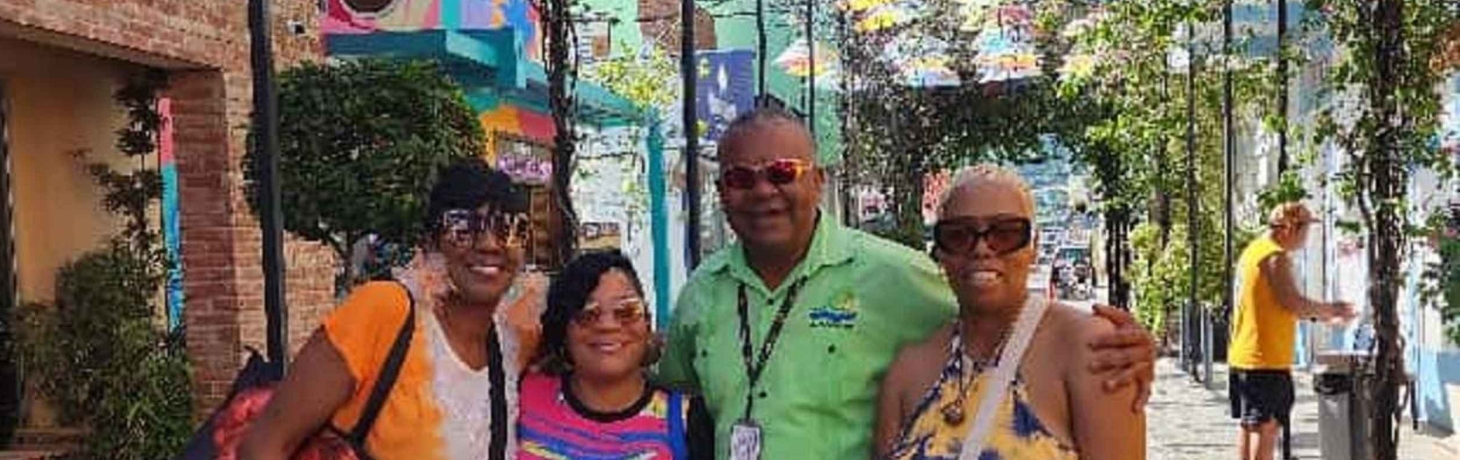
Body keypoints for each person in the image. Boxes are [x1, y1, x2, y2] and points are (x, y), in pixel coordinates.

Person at [658, 108, 1156, 460]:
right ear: (721, 191)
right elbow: (666, 376)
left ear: (818, 181)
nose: (763, 190)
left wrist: (1130, 349)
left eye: (782, 172)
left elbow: (990, 313)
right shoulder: (702, 292)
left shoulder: (894, 276)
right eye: (741, 179)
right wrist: (622, 343)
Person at [239, 159, 536, 460]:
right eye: (463, 227)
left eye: (509, 228)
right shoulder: (385, 312)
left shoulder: (515, 342)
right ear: (430, 241)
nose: (489, 244)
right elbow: (264, 445)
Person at [874, 166, 1145, 460]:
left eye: (1005, 233)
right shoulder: (908, 371)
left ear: (1034, 245)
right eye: (958, 235)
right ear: (940, 251)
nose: (981, 249)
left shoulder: (1092, 350)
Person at [517, 251, 712, 459]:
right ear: (563, 329)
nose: (608, 325)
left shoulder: (687, 420)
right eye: (588, 314)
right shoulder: (523, 396)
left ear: (646, 321)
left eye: (626, 311)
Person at [1228, 201, 1355, 460]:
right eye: (1305, 229)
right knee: (1265, 428)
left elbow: (1277, 306)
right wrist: (1333, 309)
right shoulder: (1274, 256)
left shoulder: (1253, 251)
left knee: (1250, 426)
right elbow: (1292, 302)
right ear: (1289, 228)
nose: (1306, 237)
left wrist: (1321, 317)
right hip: (1265, 358)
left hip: (1247, 355)